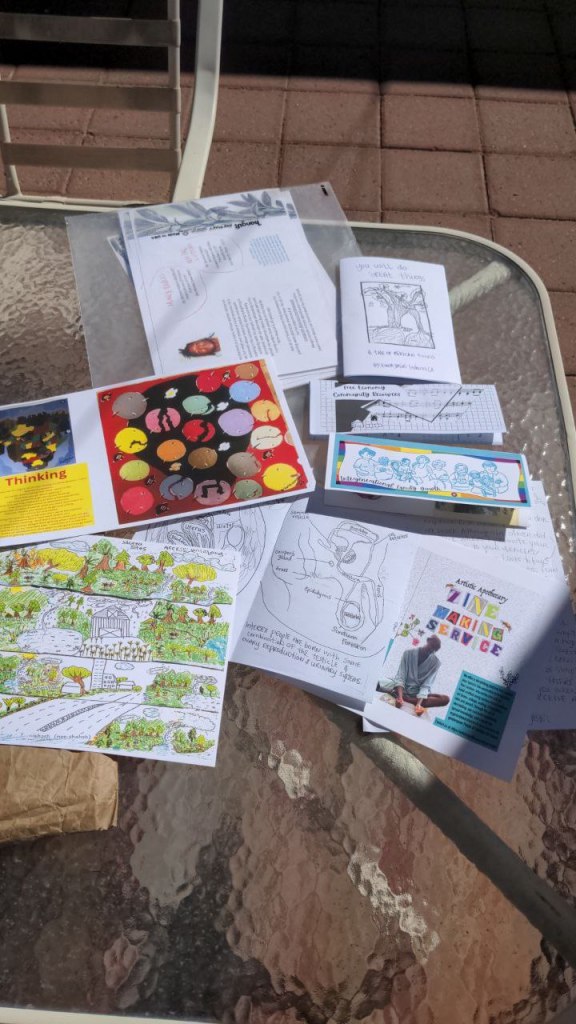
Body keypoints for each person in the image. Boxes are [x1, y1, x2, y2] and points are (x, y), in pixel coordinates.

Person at [377, 635, 449, 716]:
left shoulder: (436, 663)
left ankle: (400, 696)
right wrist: (400, 697)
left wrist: (418, 704)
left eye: (434, 649)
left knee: (445, 699)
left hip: (417, 694)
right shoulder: (408, 653)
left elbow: (426, 685)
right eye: (431, 646)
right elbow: (401, 677)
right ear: (428, 640)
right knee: (378, 683)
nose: (432, 650)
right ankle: (399, 695)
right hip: (400, 687)